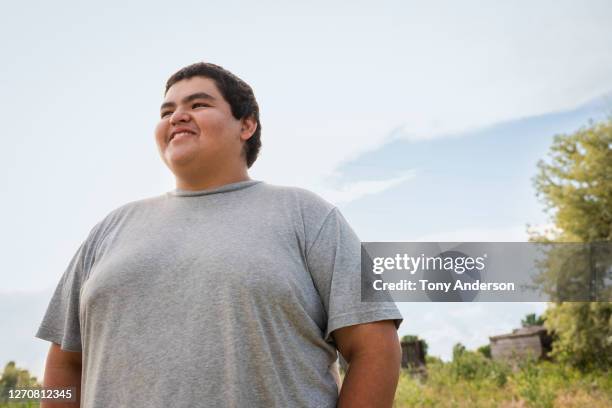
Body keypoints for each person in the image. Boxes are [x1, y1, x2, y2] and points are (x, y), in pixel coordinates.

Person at [36, 62, 403, 408]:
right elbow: (66, 363)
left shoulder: (307, 214)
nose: (177, 116)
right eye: (166, 111)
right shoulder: (109, 228)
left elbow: (374, 347)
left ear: (246, 125)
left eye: (198, 104)